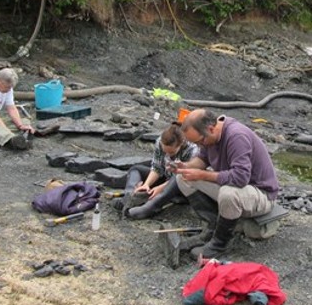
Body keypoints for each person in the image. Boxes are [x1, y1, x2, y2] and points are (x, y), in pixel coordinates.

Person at [174, 109, 280, 260]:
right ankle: (212, 227)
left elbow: (240, 178)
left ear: (211, 128)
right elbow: (203, 160)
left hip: (261, 194)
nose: (200, 145)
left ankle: (219, 243)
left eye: (200, 142)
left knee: (228, 193)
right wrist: (186, 167)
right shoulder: (209, 136)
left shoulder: (236, 136)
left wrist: (203, 174)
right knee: (184, 178)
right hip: (239, 189)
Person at [115, 123, 198, 219]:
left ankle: (150, 207)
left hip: (180, 183)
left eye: (171, 152)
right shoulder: (160, 141)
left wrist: (159, 188)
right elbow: (157, 167)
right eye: (165, 151)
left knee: (178, 178)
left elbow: (182, 176)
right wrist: (146, 184)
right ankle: (129, 196)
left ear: (180, 145)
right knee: (136, 169)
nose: (167, 154)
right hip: (166, 176)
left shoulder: (192, 149)